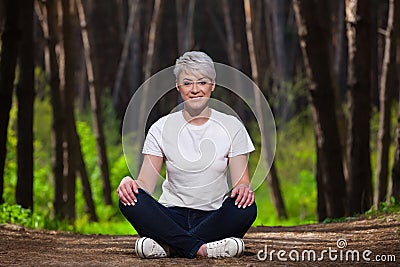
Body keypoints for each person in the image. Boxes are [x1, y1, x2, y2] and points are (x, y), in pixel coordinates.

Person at [117, 51, 257, 259]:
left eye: (202, 82)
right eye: (187, 83)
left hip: (214, 216)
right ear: (178, 86)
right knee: (130, 199)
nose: (195, 90)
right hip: (170, 216)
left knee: (246, 208)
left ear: (212, 85)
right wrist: (130, 184)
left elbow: (240, 184)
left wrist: (244, 188)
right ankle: (201, 249)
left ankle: (170, 246)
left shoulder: (232, 126)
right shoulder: (161, 127)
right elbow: (145, 184)